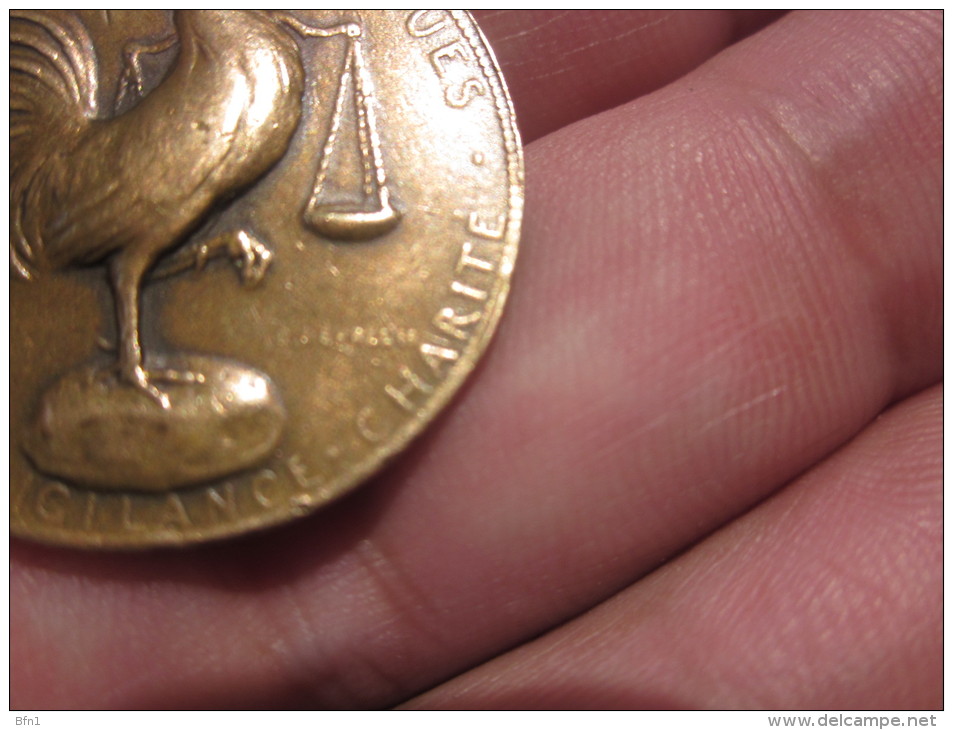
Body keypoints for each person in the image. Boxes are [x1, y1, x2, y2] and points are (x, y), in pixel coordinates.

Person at [11, 10, 941, 709]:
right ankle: (131, 366)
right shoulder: (202, 97)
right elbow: (120, 239)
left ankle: (136, 361)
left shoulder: (245, 83)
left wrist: (200, 251)